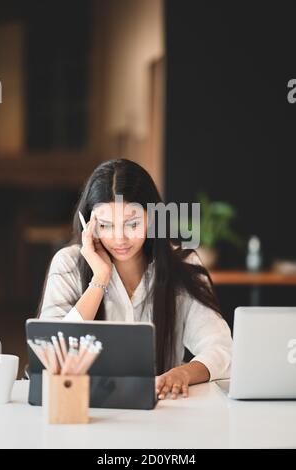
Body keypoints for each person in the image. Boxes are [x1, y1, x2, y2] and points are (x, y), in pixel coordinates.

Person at [37, 158, 232, 399]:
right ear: (87, 223)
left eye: (132, 224)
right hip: (85, 406)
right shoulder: (68, 263)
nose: (119, 239)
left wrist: (182, 373)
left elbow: (220, 347)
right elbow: (50, 355)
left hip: (163, 410)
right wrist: (99, 279)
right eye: (106, 225)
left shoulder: (182, 265)